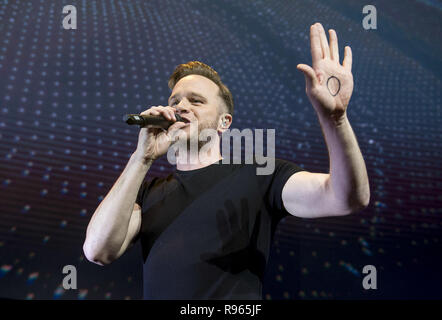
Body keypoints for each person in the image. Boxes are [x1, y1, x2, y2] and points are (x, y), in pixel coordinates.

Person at [83, 22, 370, 299]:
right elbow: (97, 251)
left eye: (196, 101)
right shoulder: (148, 193)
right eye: (174, 102)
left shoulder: (261, 174)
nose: (181, 107)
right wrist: (141, 158)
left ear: (224, 122)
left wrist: (336, 119)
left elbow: (345, 198)